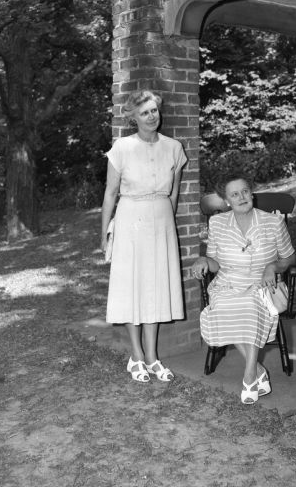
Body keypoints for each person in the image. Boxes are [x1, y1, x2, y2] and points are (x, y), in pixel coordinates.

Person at [101, 90, 187, 383]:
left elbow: (173, 190)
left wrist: (167, 220)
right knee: (131, 287)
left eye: (154, 111)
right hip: (130, 220)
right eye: (145, 113)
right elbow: (110, 194)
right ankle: (136, 356)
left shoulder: (174, 147)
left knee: (155, 286)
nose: (152, 116)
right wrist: (104, 234)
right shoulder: (122, 148)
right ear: (133, 118)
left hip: (160, 220)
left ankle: (152, 356)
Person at [192, 173, 296, 404]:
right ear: (227, 200)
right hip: (228, 283)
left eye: (245, 191)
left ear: (252, 194)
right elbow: (214, 263)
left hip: (263, 284)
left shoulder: (272, 222)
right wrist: (202, 262)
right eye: (234, 194)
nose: (241, 197)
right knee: (224, 305)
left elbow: (289, 257)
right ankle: (258, 370)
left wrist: (273, 266)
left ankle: (249, 376)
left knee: (249, 306)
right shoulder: (217, 223)